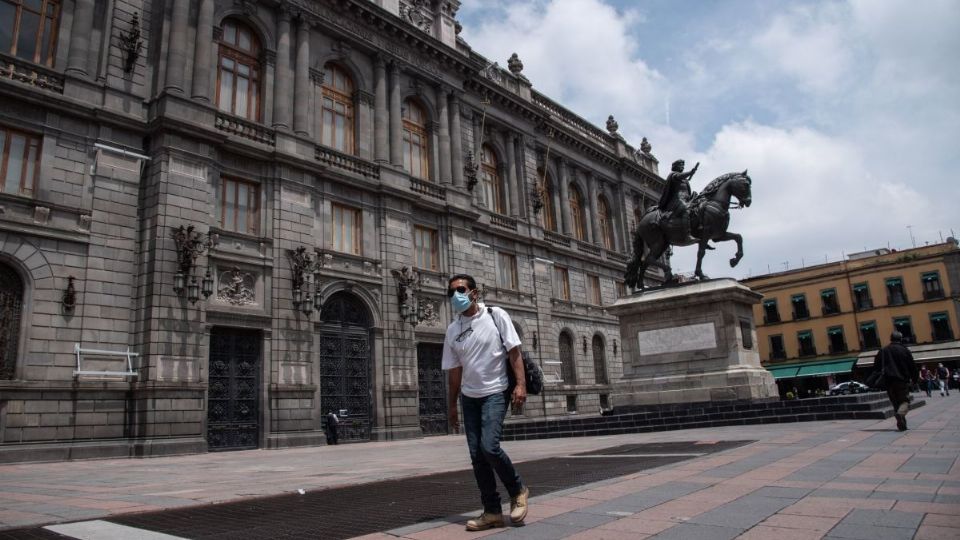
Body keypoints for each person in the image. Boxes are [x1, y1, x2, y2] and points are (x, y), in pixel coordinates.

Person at [442, 274, 529, 531]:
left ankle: (518, 489)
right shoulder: (452, 329)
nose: (456, 295)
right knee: (477, 457)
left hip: (496, 391)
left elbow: (514, 351)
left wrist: (521, 385)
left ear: (474, 293)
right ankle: (491, 511)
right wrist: (451, 406)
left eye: (460, 289)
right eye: (451, 292)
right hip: (470, 398)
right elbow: (454, 372)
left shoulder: (495, 315)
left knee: (489, 448)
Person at [873, 331, 918, 431]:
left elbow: (876, 366)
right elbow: (912, 366)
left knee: (896, 403)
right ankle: (900, 415)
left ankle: (902, 425)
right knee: (905, 401)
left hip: (888, 381)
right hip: (901, 380)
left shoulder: (883, 350)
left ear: (891, 338)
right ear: (900, 339)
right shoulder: (904, 350)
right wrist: (915, 379)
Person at [657, 159, 699, 240]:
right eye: (680, 165)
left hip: (687, 198)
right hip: (677, 199)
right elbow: (679, 176)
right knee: (686, 209)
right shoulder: (673, 175)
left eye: (683, 165)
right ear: (675, 167)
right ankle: (687, 234)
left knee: (699, 206)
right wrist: (690, 172)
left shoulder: (685, 179)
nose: (682, 167)